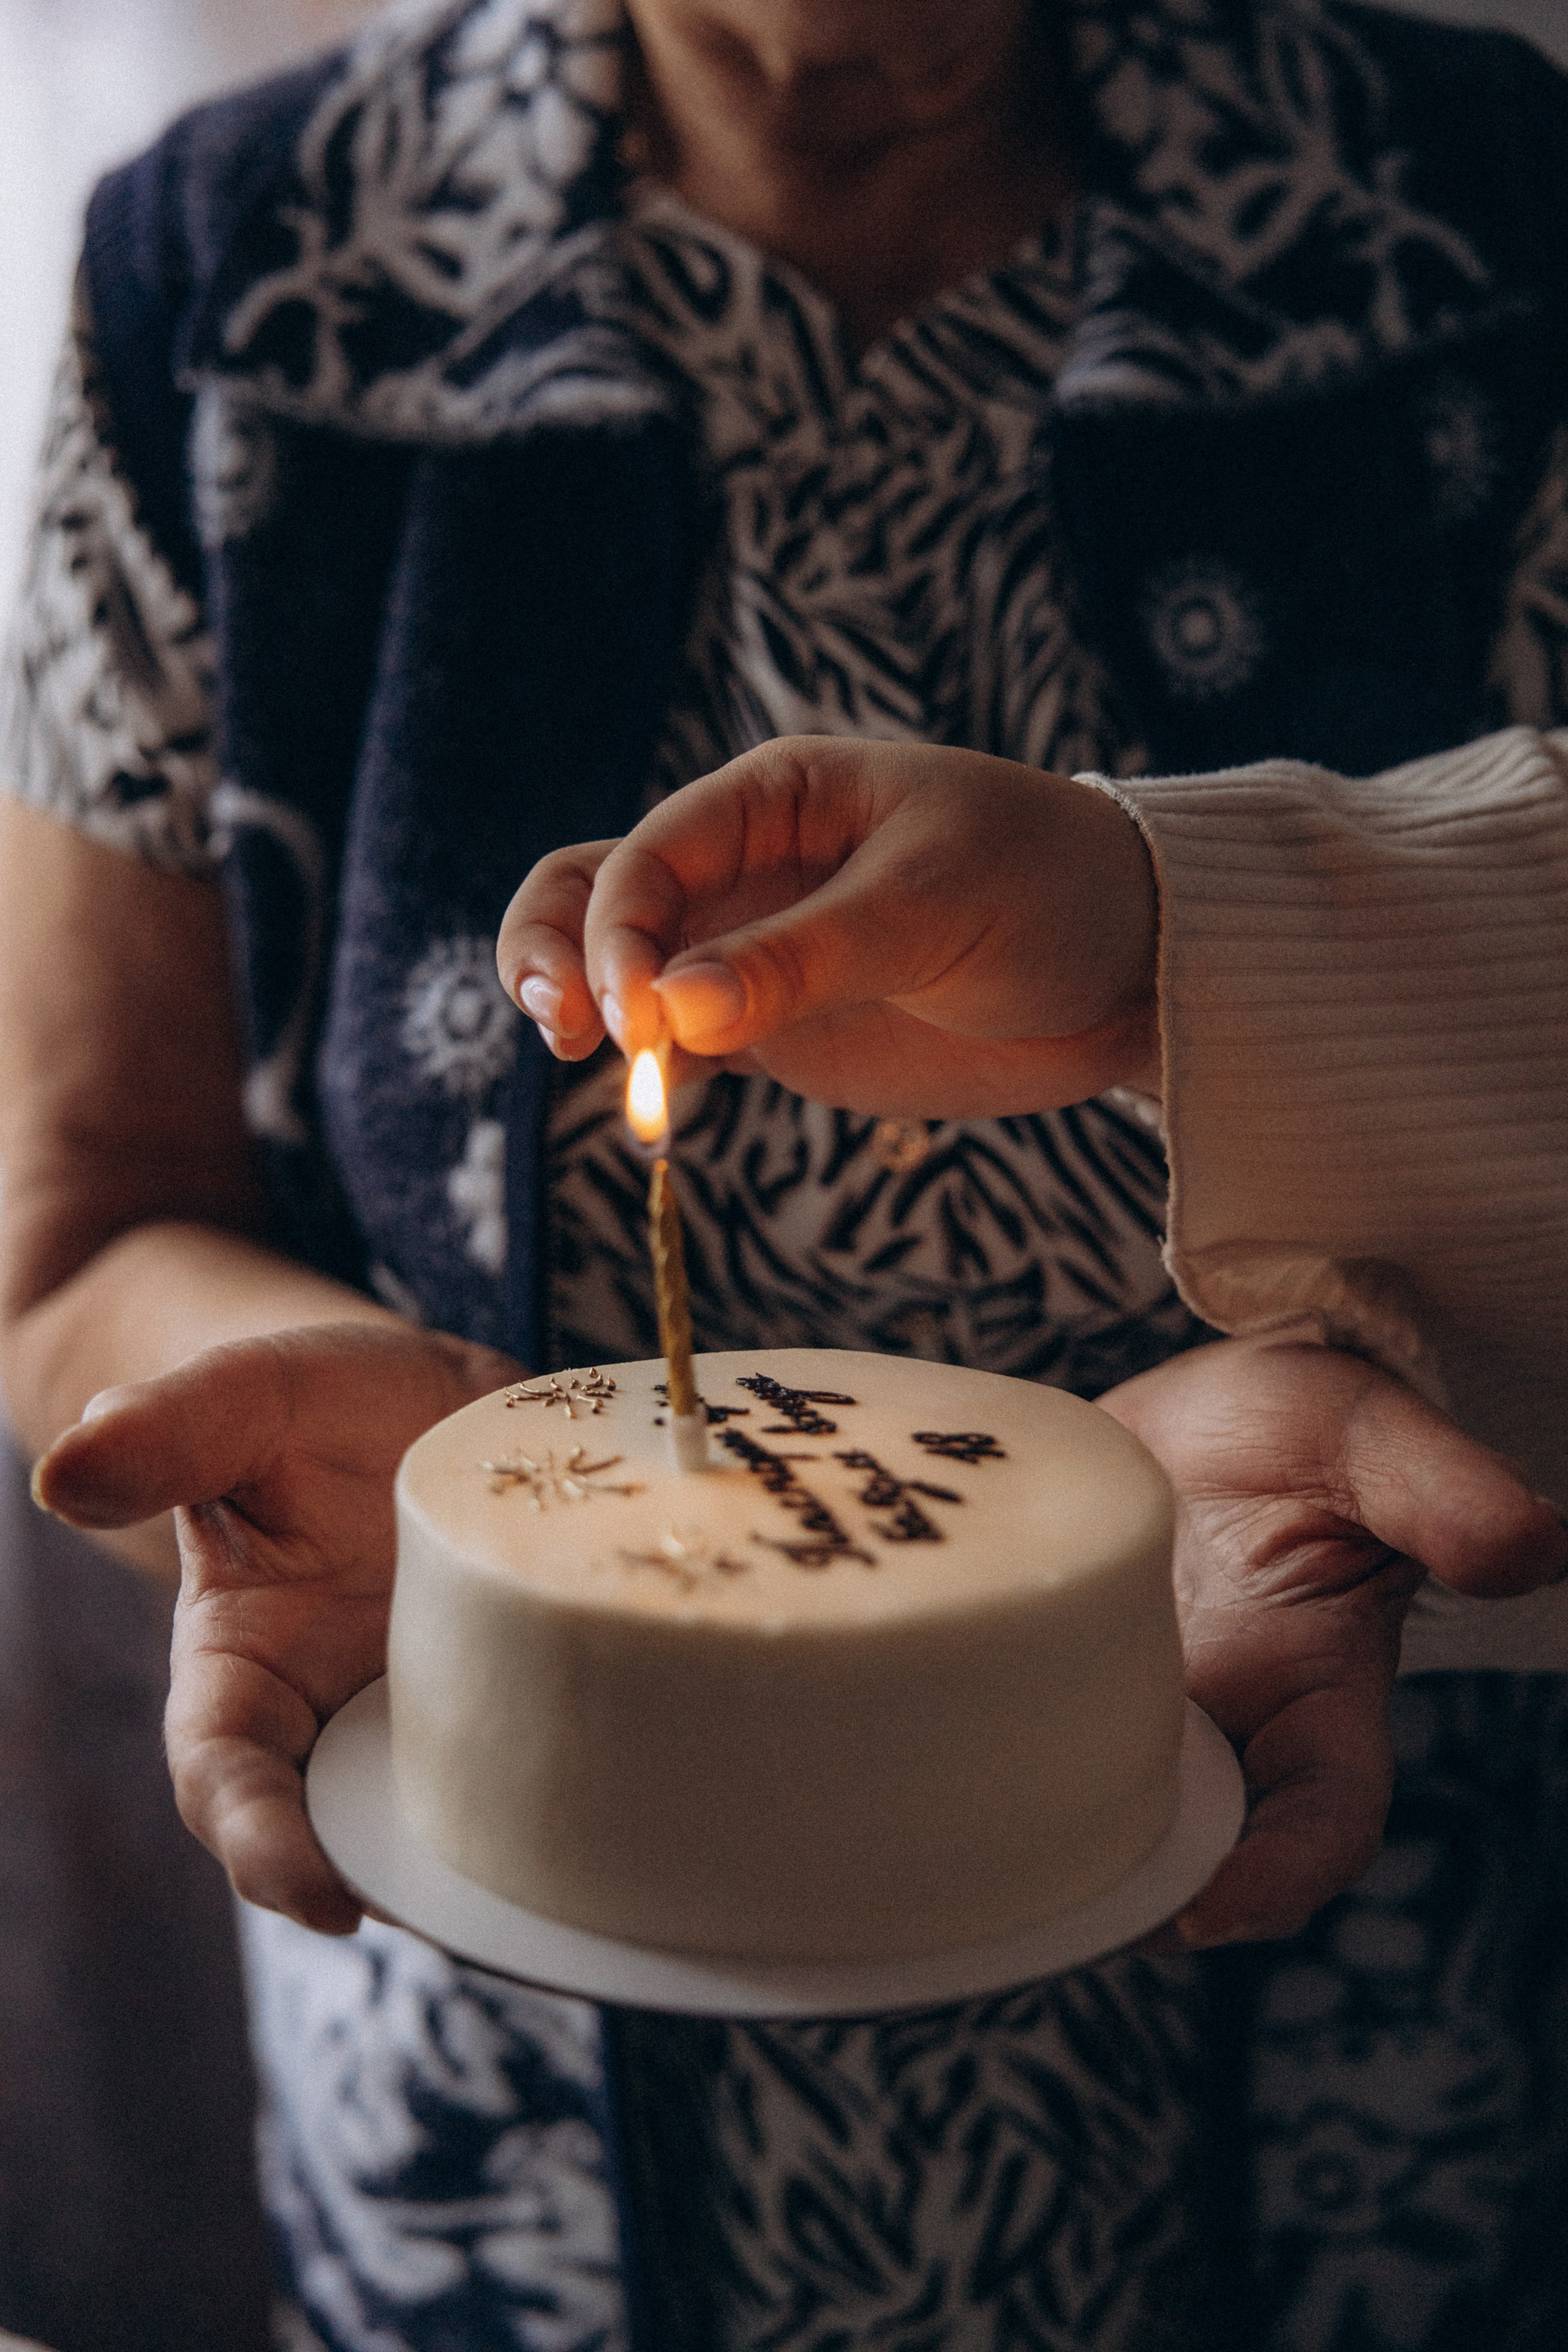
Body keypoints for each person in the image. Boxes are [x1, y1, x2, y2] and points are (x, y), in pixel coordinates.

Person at [4, 0, 1568, 2345]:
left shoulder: (1470, 207)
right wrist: (388, 1502)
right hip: (515, 2089)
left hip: (1344, 2049)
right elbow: (76, 1210)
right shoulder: (234, 277)